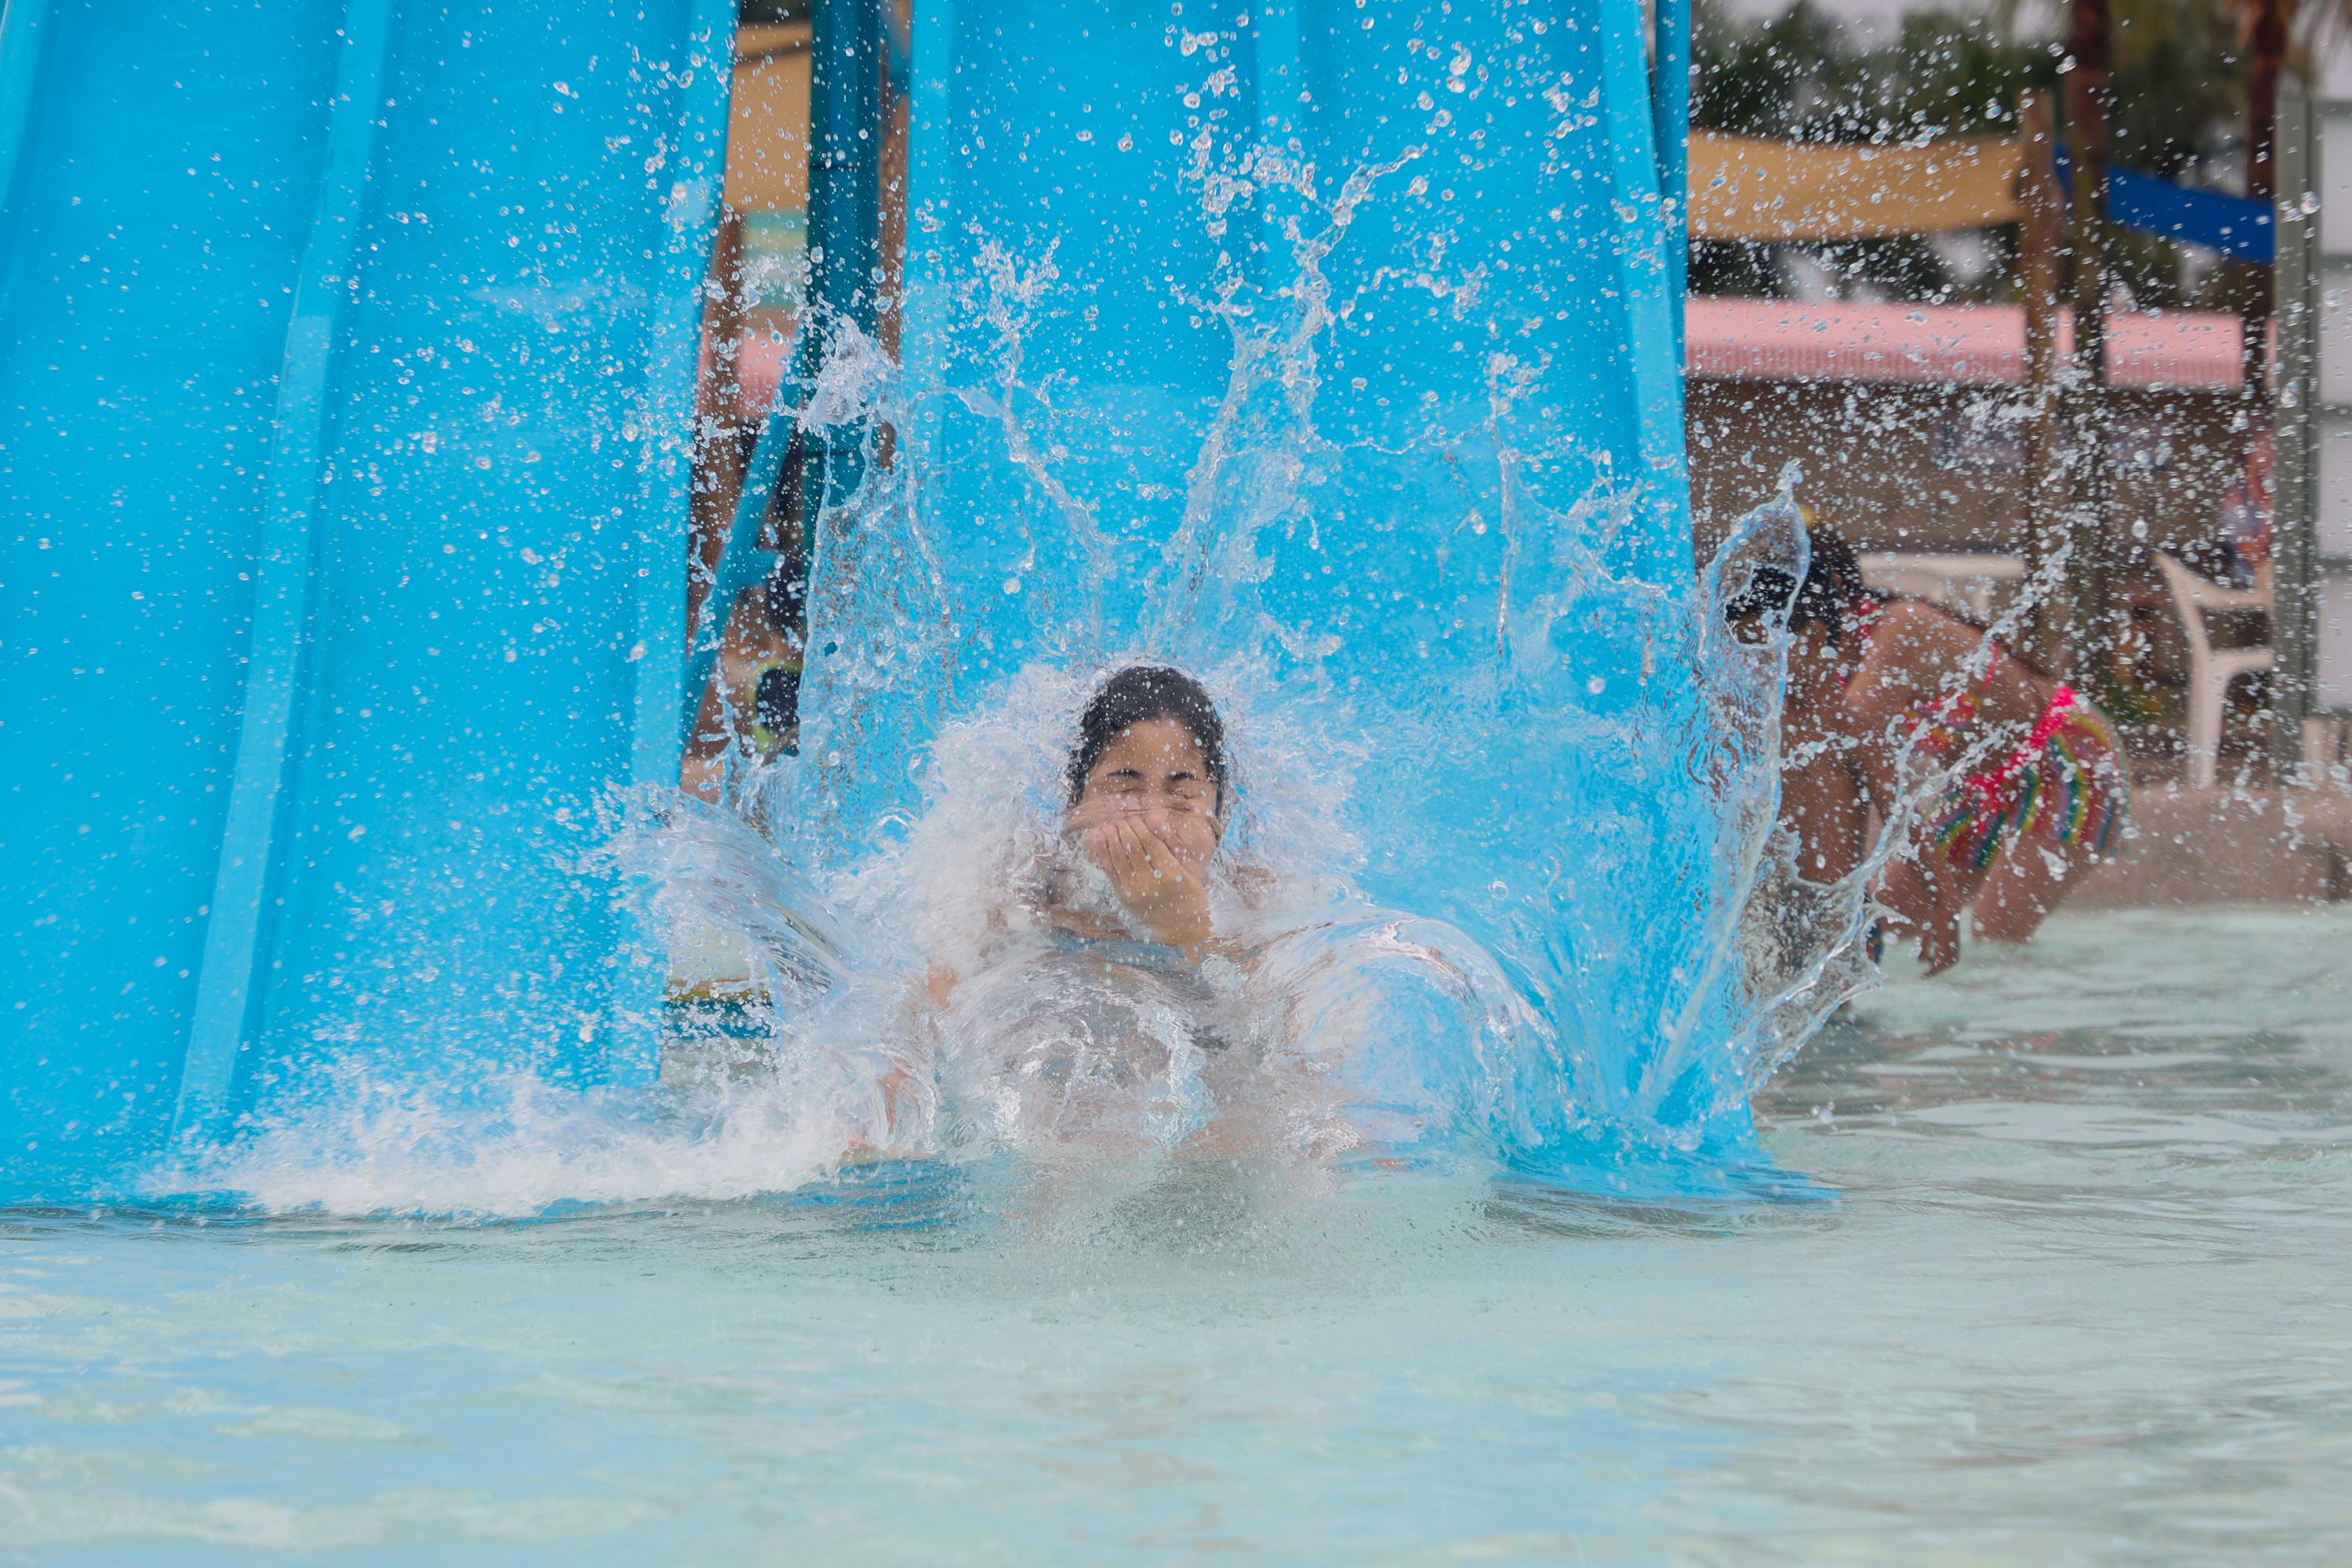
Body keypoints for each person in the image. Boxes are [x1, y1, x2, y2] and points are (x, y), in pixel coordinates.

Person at [1727, 528, 2129, 974]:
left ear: (1833, 592)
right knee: (1894, 920)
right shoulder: (1828, 657)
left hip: (2065, 757)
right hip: (1980, 782)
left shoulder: (1900, 628)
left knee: (1996, 932)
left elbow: (1840, 739)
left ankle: (2040, 1025)